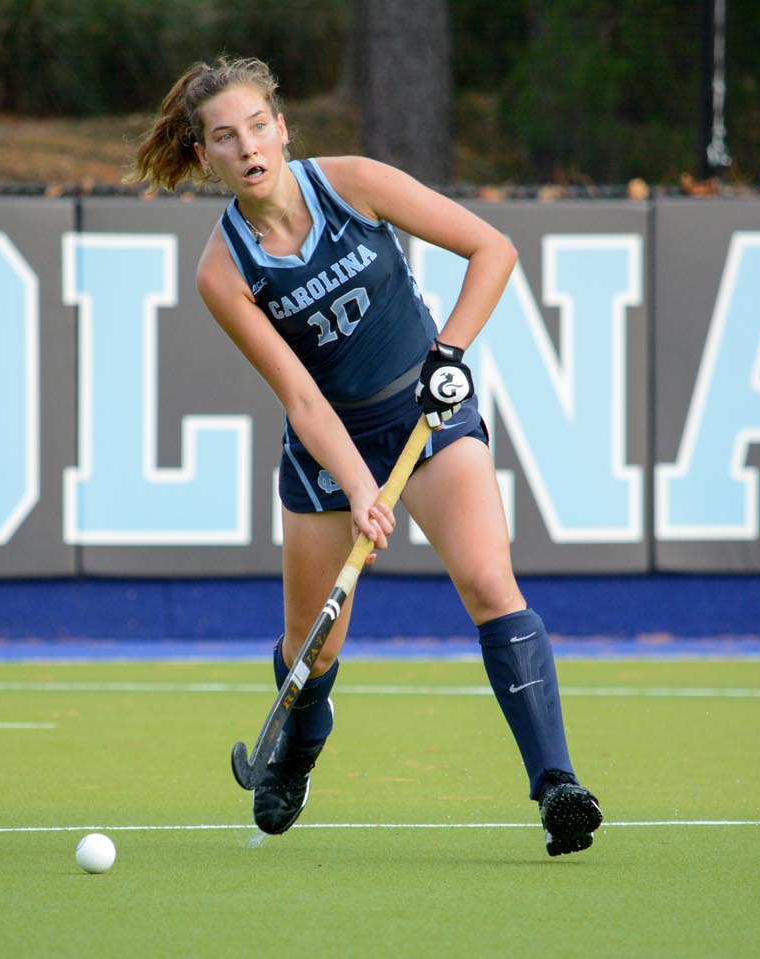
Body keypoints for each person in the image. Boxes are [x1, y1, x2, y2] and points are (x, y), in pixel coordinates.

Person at [130, 56, 603, 856]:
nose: (247, 146)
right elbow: (303, 401)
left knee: (490, 583)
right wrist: (358, 487)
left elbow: (492, 250)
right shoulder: (224, 272)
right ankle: (300, 752)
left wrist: (448, 352)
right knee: (314, 645)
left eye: (256, 126)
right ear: (205, 157)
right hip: (328, 445)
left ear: (282, 128)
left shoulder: (351, 182)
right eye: (224, 137)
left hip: (425, 414)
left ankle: (557, 785)